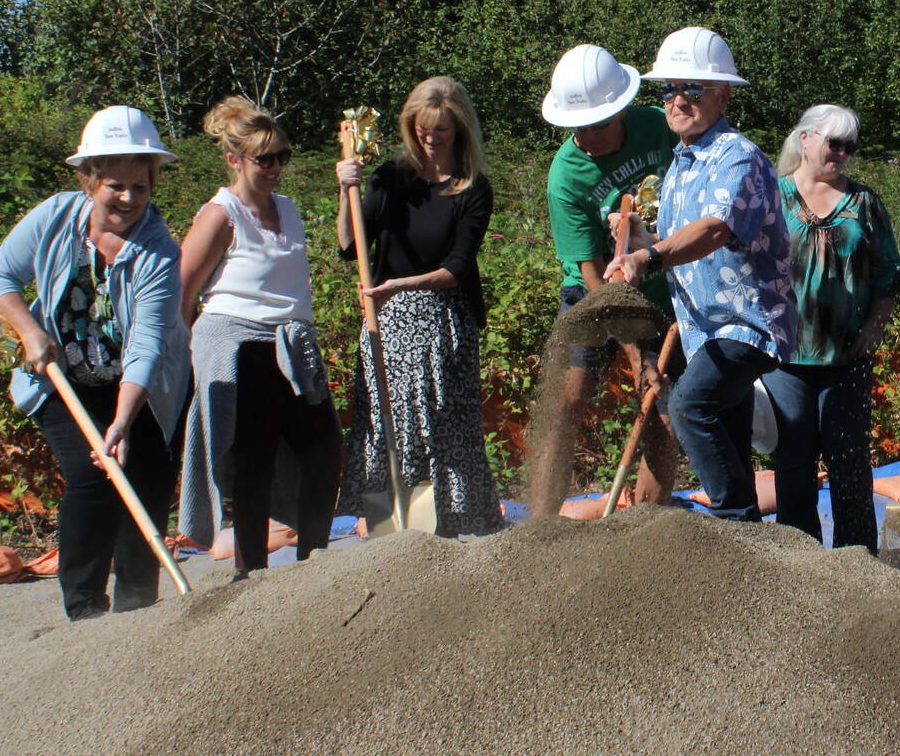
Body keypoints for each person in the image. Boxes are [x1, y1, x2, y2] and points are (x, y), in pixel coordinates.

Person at [0, 107, 188, 620]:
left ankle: (139, 613)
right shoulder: (54, 216)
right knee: (92, 478)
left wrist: (120, 422)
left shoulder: (160, 254)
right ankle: (84, 613)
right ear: (90, 179)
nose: (128, 199)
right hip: (62, 378)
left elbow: (146, 346)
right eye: (115, 185)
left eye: (139, 188)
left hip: (143, 388)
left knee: (143, 484)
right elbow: (0, 277)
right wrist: (30, 331)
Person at [606, 27, 794, 522]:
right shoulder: (680, 167)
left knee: (689, 406)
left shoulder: (738, 156)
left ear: (723, 94)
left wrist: (649, 258)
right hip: (702, 331)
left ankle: (735, 524)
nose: (677, 100)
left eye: (692, 89)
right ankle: (750, 545)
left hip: (747, 323)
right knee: (727, 431)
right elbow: (673, 243)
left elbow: (713, 230)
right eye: (668, 89)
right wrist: (634, 241)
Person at [177, 97, 341, 575]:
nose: (274, 168)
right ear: (234, 159)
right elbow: (185, 292)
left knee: (322, 448)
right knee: (253, 460)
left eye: (281, 157)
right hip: (240, 346)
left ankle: (315, 558)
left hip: (292, 345)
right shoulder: (220, 214)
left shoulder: (287, 209)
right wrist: (191, 359)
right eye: (263, 158)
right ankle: (249, 572)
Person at [335, 76, 502, 537]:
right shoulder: (390, 178)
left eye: (442, 130)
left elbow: (457, 266)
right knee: (389, 428)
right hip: (387, 324)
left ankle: (459, 530)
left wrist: (402, 285)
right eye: (422, 128)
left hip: (444, 322)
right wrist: (343, 190)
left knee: (447, 431)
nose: (430, 138)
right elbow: (351, 247)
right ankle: (396, 535)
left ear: (460, 130)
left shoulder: (473, 188)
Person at [531, 44, 678, 512]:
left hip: (660, 283)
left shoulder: (657, 126)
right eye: (579, 127)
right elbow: (593, 275)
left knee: (660, 402)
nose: (589, 136)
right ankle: (542, 519)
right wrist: (635, 355)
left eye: (599, 124)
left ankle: (647, 525)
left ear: (622, 109)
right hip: (592, 288)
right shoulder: (566, 177)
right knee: (569, 398)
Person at [761, 105, 900, 549]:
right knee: (793, 461)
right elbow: (742, 265)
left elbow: (889, 274)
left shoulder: (865, 203)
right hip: (784, 357)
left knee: (850, 462)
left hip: (848, 355)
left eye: (849, 146)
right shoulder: (771, 198)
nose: (842, 153)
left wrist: (874, 328)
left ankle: (857, 561)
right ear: (805, 140)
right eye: (833, 143)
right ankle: (800, 565)